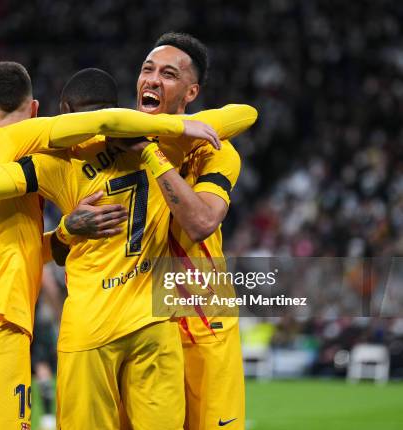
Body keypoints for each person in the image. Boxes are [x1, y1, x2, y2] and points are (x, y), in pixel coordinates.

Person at [0, 66, 257, 429]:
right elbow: (244, 114)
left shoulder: (54, 161)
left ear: (63, 110)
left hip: (87, 328)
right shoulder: (163, 143)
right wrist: (169, 128)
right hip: (154, 323)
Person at [127, 32, 247, 430]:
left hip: (201, 322)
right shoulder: (113, 147)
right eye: (147, 70)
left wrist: (153, 152)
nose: (152, 80)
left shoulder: (214, 150)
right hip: (135, 325)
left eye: (168, 74)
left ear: (190, 91)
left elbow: (200, 223)